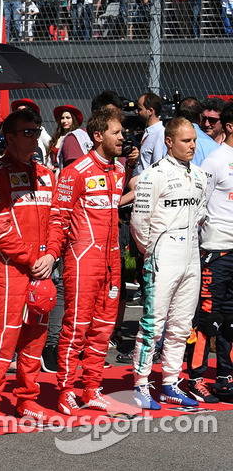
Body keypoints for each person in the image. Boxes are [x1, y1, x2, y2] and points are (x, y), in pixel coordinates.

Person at [39, 108, 126, 414]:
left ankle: (91, 388)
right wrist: (51, 254)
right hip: (82, 260)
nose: (122, 137)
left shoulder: (119, 171)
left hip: (113, 263)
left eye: (122, 132)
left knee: (103, 329)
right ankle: (65, 390)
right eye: (116, 132)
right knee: (76, 329)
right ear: (98, 136)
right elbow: (58, 220)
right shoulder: (74, 172)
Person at [0, 109, 55, 424]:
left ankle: (27, 398)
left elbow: (59, 222)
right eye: (27, 132)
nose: (34, 136)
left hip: (44, 267)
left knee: (35, 335)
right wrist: (32, 259)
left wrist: (50, 255)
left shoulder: (47, 174)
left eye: (36, 130)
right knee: (4, 335)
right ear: (9, 137)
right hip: (11, 269)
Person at [130, 117, 207, 409]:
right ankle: (140, 384)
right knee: (153, 324)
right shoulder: (153, 176)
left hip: (191, 254)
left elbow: (200, 213)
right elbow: (139, 221)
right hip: (163, 255)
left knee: (181, 324)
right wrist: (151, 251)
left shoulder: (200, 175)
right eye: (186, 141)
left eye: (194, 140)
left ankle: (170, 383)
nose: (192, 145)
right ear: (169, 142)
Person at [186, 102, 233, 403]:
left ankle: (226, 378)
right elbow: (197, 203)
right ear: (229, 126)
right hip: (215, 251)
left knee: (231, 318)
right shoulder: (215, 160)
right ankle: (195, 379)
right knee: (207, 319)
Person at [132, 92, 164, 176]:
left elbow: (158, 166)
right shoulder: (149, 132)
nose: (136, 112)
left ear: (150, 111)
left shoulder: (159, 134)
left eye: (140, 109)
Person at [50, 105, 85, 169]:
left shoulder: (77, 137)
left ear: (73, 119)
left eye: (68, 118)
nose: (64, 121)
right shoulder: (56, 137)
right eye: (62, 118)